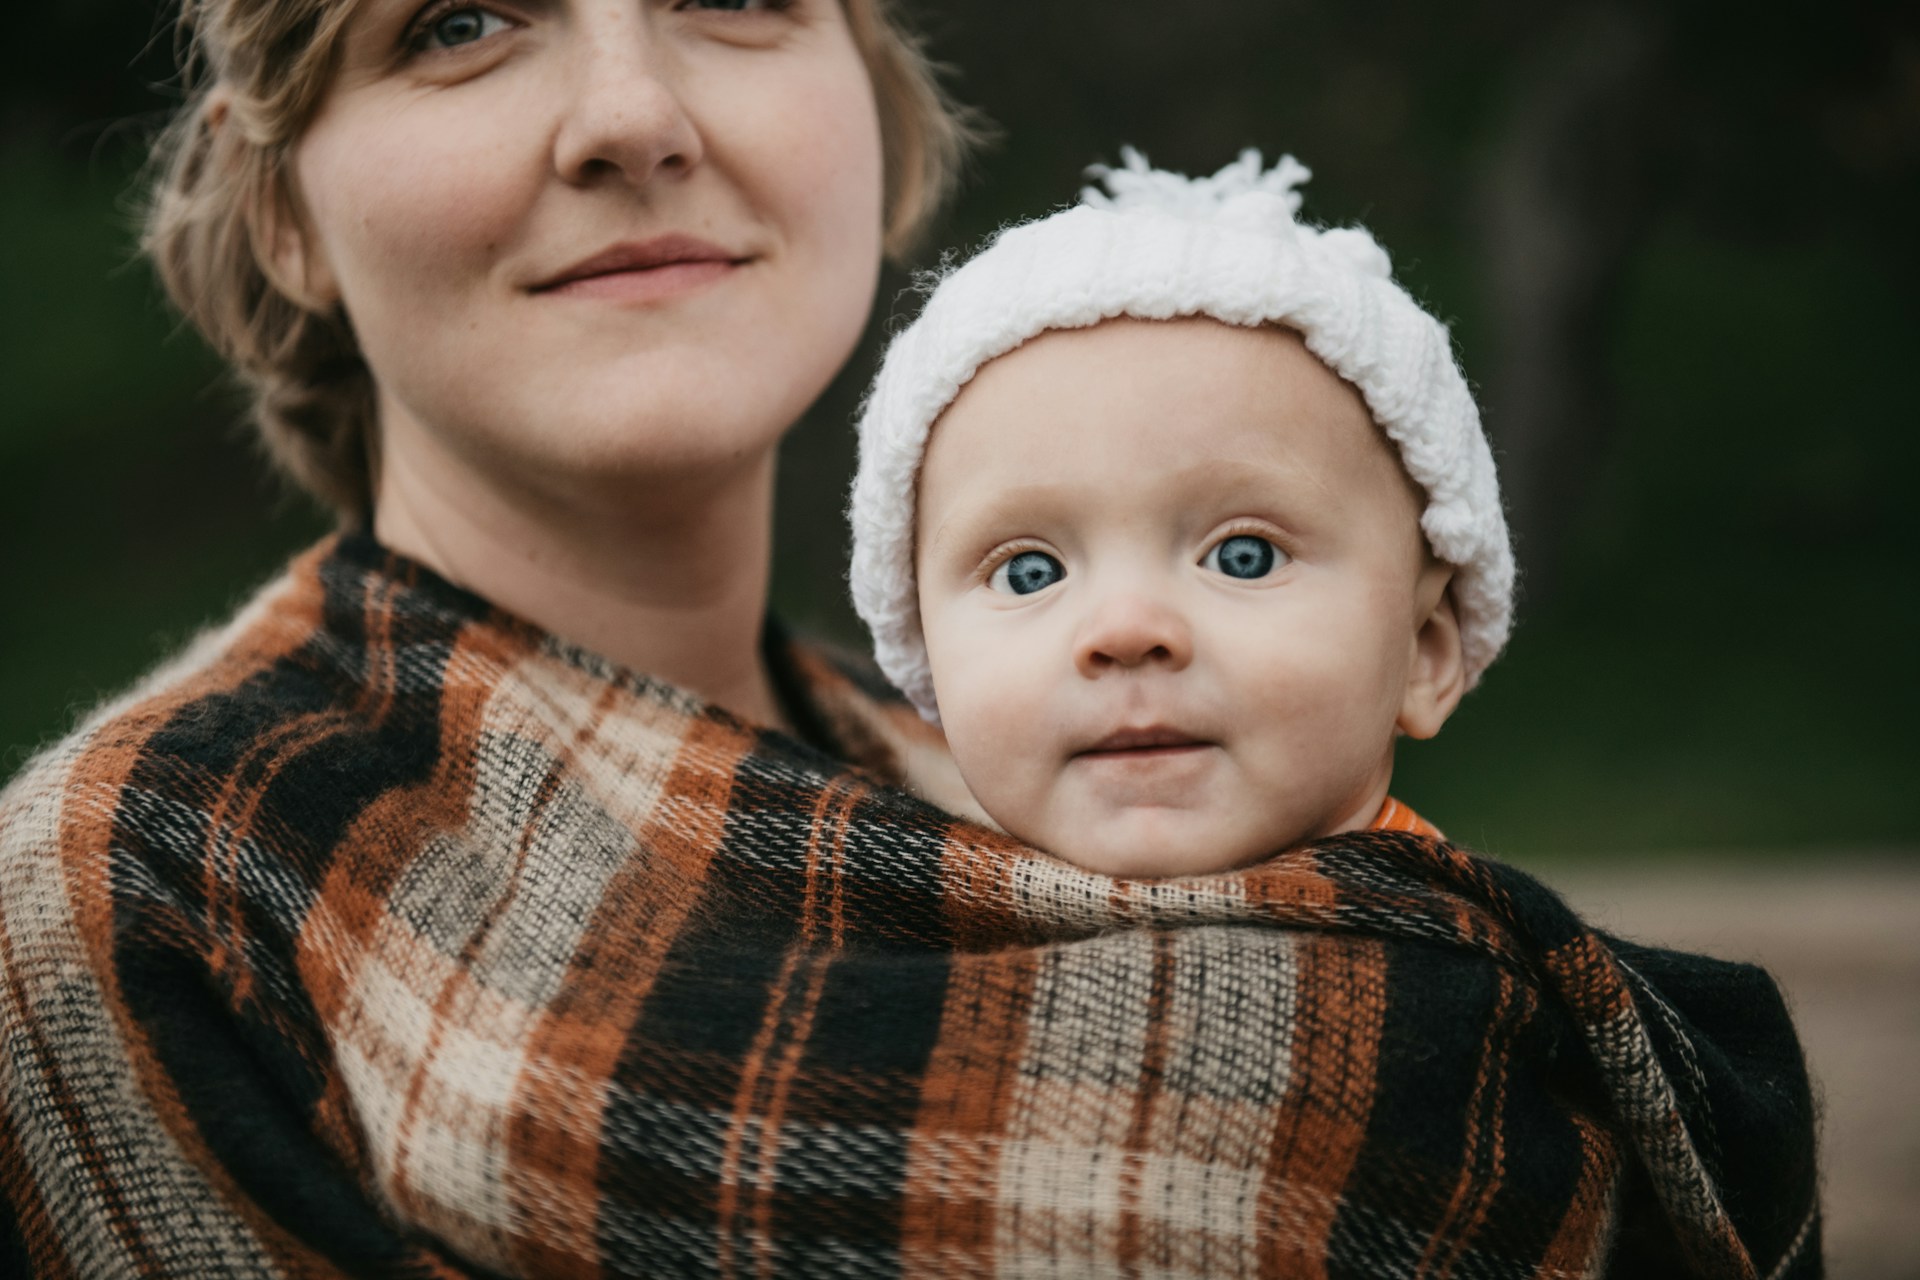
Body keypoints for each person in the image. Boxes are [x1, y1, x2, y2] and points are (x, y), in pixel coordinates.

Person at [0, 0, 1818, 1272]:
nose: (633, 114)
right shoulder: (153, 884)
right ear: (282, 208)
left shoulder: (1020, 774)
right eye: (458, 19)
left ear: (872, 106)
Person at [850, 150, 1506, 878]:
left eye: (1242, 555)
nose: (1127, 630)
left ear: (1424, 652)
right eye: (1028, 572)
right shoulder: (884, 944)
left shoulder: (1499, 974)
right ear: (928, 666)